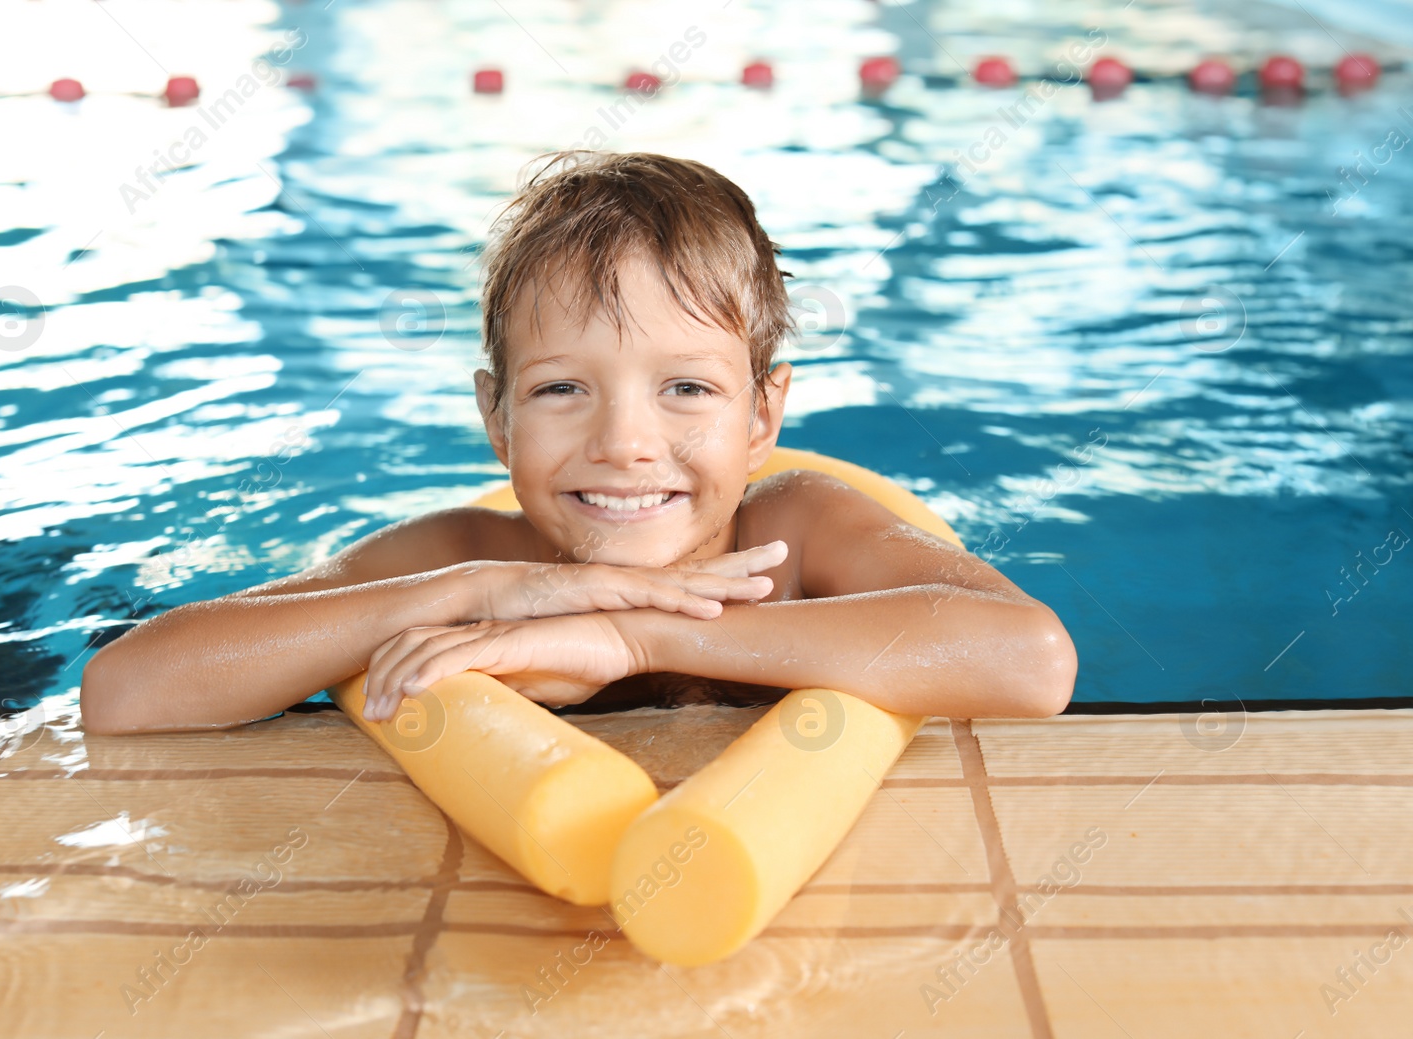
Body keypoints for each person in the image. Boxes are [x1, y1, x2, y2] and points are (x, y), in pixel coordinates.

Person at [80, 150, 1076, 735]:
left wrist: (631, 636)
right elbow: (126, 692)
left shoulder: (797, 534)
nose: (625, 444)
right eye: (563, 389)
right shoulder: (465, 554)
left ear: (761, 417)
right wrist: (472, 594)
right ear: (498, 419)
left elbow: (1028, 657)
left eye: (686, 387)